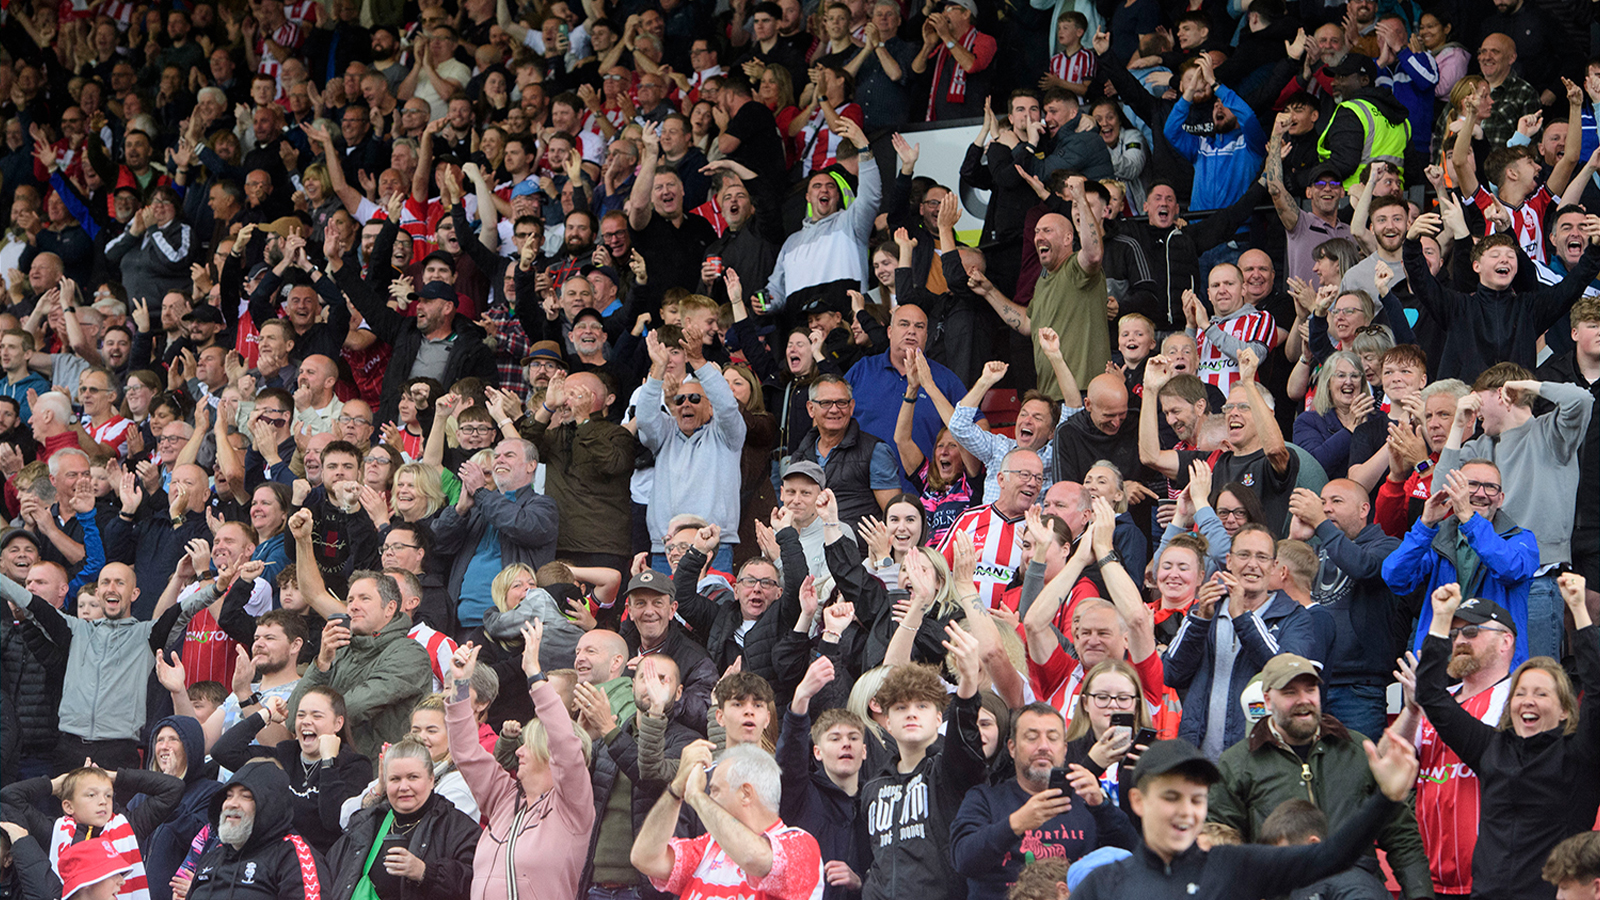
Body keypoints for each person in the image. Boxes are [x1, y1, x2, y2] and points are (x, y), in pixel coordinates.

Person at [1414, 576, 1598, 900]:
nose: (1528, 701)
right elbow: (1431, 694)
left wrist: (1579, 611)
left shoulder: (1579, 754)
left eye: (1541, 694)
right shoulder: (1491, 748)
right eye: (1521, 693)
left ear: (1566, 711)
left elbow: (1597, 692)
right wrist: (1441, 620)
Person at [1067, 735, 1421, 899]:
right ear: (1138, 801)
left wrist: (1386, 799)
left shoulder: (1233, 866)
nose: (1186, 811)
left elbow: (1330, 856)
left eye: (1197, 799)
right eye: (1171, 797)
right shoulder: (1103, 885)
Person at [1206, 654, 1434, 898]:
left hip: (1358, 888)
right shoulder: (1237, 763)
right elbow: (1220, 845)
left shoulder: (1357, 749)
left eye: (1310, 689)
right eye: (1290, 692)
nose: (1304, 700)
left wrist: (1420, 895)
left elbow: (1401, 836)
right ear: (1268, 700)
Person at [446, 622, 596, 900]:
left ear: (550, 753)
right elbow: (466, 752)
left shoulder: (572, 807)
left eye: (528, 745)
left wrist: (534, 674)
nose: (518, 752)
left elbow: (565, 742)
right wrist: (461, 685)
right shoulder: (503, 798)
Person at [950, 701, 1139, 900]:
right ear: (1012, 748)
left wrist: (1102, 806)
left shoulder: (1087, 801)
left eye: (1053, 738)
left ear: (1065, 749)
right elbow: (963, 860)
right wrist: (1016, 824)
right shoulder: (984, 798)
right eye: (1032, 738)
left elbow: (1132, 859)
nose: (1043, 746)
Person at [1163, 524, 1322, 757]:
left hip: (1263, 756)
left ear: (1274, 566)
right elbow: (1171, 673)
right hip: (1199, 755)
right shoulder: (1205, 609)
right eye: (1244, 555)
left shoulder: (1295, 617)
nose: (1252, 564)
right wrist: (1200, 621)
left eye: (1262, 557)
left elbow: (1285, 676)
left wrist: (1243, 617)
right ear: (1228, 561)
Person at [859, 631, 986, 900]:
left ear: (939, 718)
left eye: (922, 705)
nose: (912, 713)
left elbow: (966, 742)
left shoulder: (948, 771)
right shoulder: (872, 786)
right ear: (888, 722)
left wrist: (968, 681)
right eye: (901, 707)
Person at [1383, 459, 1540, 666]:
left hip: (1495, 664)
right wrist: (1425, 524)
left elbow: (1510, 569)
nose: (1481, 494)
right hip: (1441, 662)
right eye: (1471, 485)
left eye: (1490, 487)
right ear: (1454, 491)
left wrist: (1469, 519)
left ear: (1500, 499)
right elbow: (1395, 576)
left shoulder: (1520, 539)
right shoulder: (1437, 538)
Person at [287, 570, 434, 760]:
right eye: (350, 600)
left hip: (382, 775)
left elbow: (355, 707)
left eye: (364, 599)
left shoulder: (409, 654)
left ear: (389, 608)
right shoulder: (338, 651)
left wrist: (308, 718)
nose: (353, 607)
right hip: (330, 769)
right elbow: (292, 720)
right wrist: (321, 664)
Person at [324, 736, 480, 900]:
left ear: (431, 779)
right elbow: (329, 875)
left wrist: (425, 872)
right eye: (395, 779)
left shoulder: (457, 827)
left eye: (413, 777)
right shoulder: (367, 822)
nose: (404, 787)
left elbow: (476, 882)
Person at [184, 760, 333, 900]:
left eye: (246, 796)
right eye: (228, 796)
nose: (232, 804)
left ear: (270, 805)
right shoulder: (212, 857)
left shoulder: (293, 856)